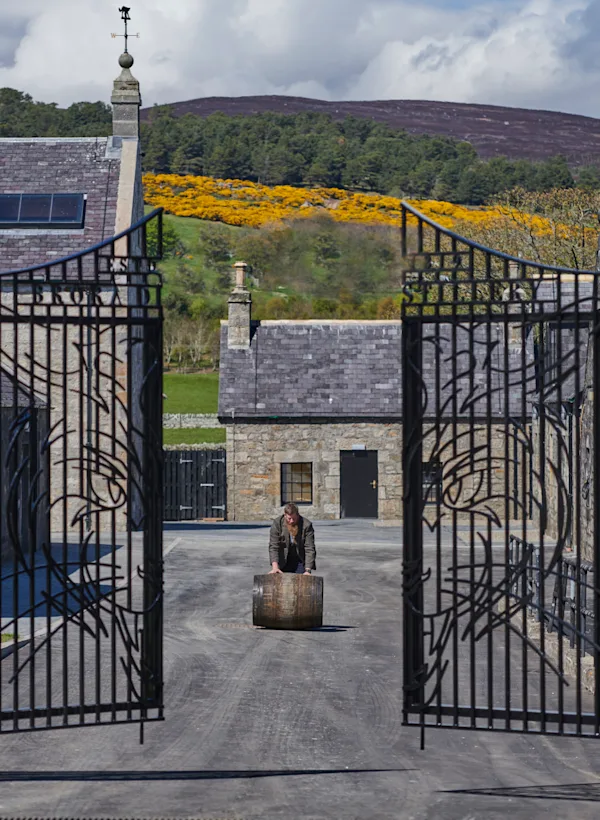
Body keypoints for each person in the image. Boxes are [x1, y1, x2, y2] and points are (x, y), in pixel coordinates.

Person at [268, 503, 316, 575]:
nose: (292, 521)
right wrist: (275, 567)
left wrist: (308, 570)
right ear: (285, 515)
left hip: (299, 558)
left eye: (294, 518)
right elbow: (274, 546)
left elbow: (309, 548)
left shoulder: (306, 525)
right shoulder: (277, 524)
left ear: (298, 515)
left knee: (301, 582)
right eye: (289, 518)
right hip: (283, 559)